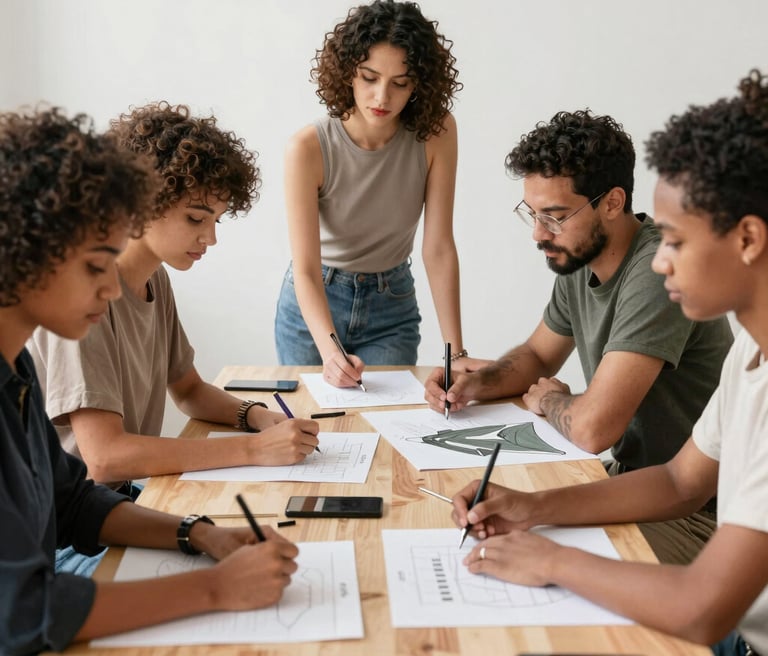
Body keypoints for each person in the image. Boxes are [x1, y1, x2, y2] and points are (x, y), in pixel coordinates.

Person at [451, 69, 768, 656]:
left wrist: (551, 557)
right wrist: (531, 508)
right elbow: (680, 482)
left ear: (747, 239)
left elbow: (702, 607)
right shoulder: (752, 351)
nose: (663, 261)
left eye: (676, 240)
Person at [0, 106, 298, 654]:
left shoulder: (13, 368)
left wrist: (197, 532)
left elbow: (71, 501)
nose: (112, 289)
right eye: (95, 267)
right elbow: (20, 613)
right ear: (25, 253)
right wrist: (214, 588)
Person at [426, 109, 734, 565]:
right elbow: (537, 354)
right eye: (531, 214)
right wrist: (478, 382)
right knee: (496, 526)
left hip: (702, 513)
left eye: (553, 217)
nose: (537, 233)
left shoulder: (655, 273)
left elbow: (592, 429)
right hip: (636, 482)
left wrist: (551, 401)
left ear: (612, 202)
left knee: (521, 555)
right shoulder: (579, 255)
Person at [28, 102, 320, 497]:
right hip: (64, 528)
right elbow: (105, 458)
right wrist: (254, 450)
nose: (210, 238)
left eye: (216, 220)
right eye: (196, 219)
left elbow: (188, 390)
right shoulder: (83, 292)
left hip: (114, 502)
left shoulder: (155, 278)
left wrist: (255, 416)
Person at [276, 0, 478, 387]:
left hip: (392, 305)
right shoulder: (307, 149)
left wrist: (456, 353)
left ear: (419, 83)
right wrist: (330, 348)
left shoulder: (437, 133)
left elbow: (437, 246)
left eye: (400, 83)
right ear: (347, 73)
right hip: (314, 305)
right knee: (308, 430)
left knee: (386, 425)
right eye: (369, 78)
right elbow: (304, 267)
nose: (382, 97)